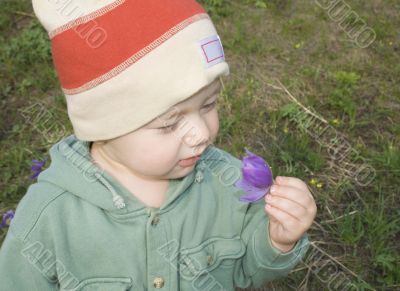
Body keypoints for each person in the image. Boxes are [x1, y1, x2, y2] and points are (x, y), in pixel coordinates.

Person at [0, 0, 317, 290]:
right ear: (104, 127)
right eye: (169, 123)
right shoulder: (50, 218)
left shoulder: (229, 183)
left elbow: (246, 268)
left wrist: (276, 242)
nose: (201, 134)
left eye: (208, 105)